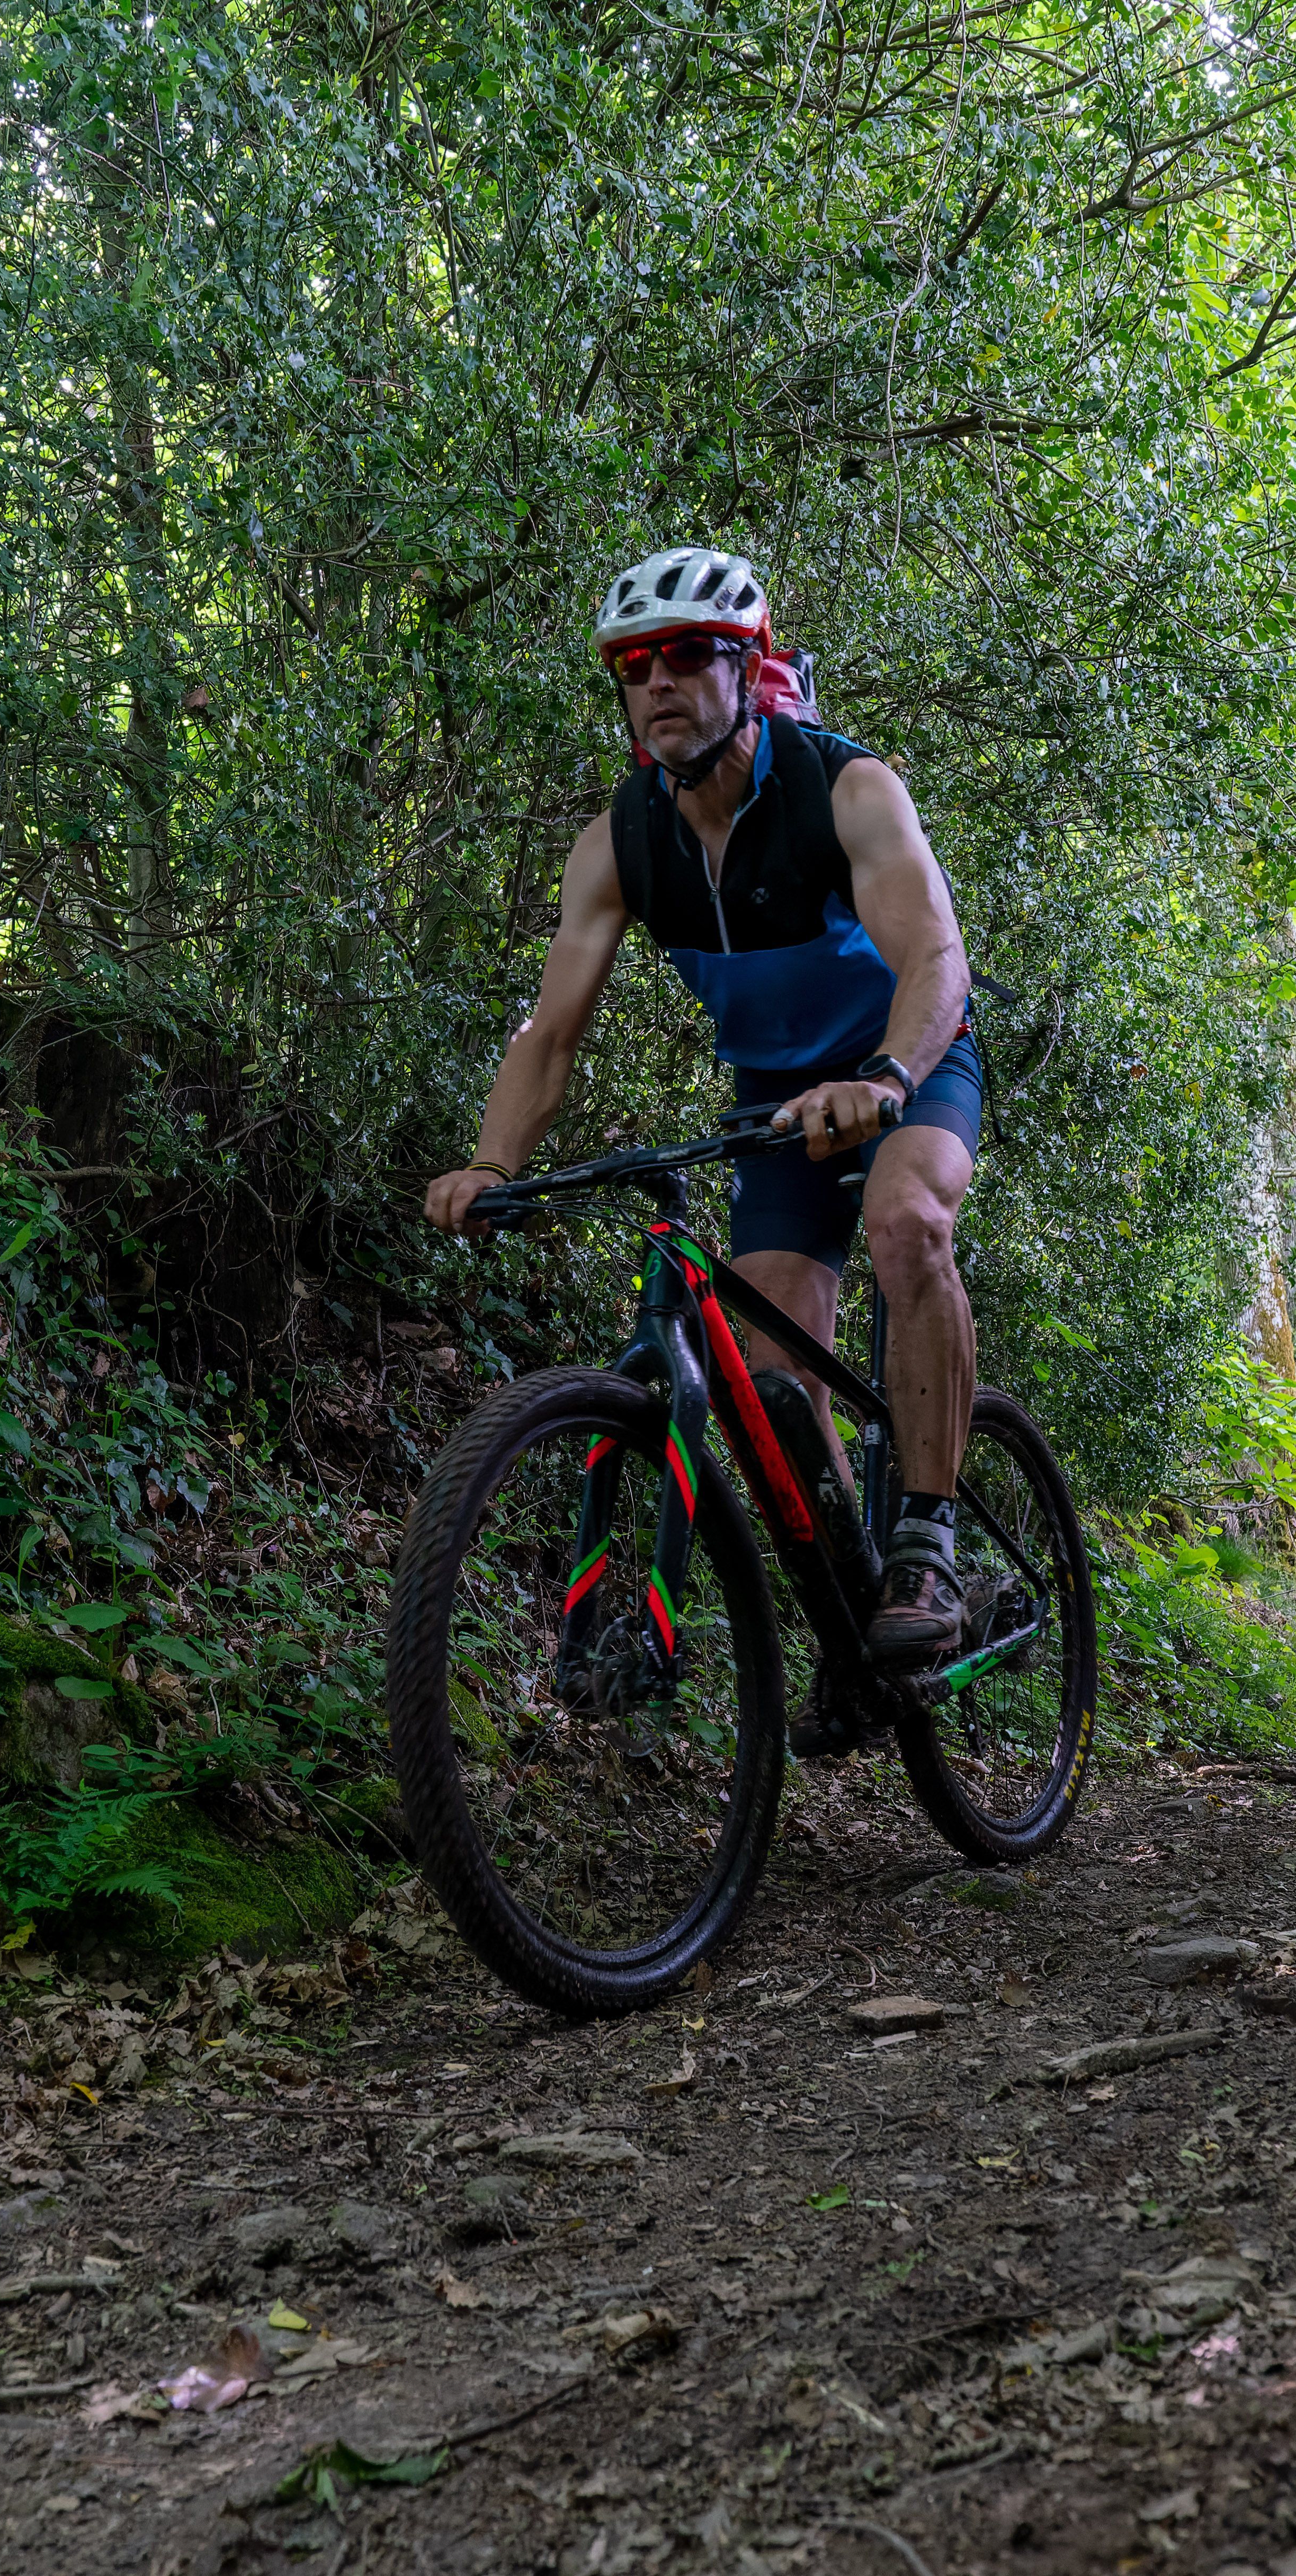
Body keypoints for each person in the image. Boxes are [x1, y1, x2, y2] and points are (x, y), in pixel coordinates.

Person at [421, 547, 982, 1728]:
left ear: (749, 666)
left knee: (905, 1219)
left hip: (908, 1066)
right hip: (776, 1105)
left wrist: (885, 1076)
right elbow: (550, 1034)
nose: (659, 681)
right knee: (774, 1391)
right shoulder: (619, 844)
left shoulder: (845, 790)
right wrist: (492, 1161)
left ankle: (927, 1542)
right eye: (635, 665)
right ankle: (849, 1608)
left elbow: (933, 958)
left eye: (686, 654)